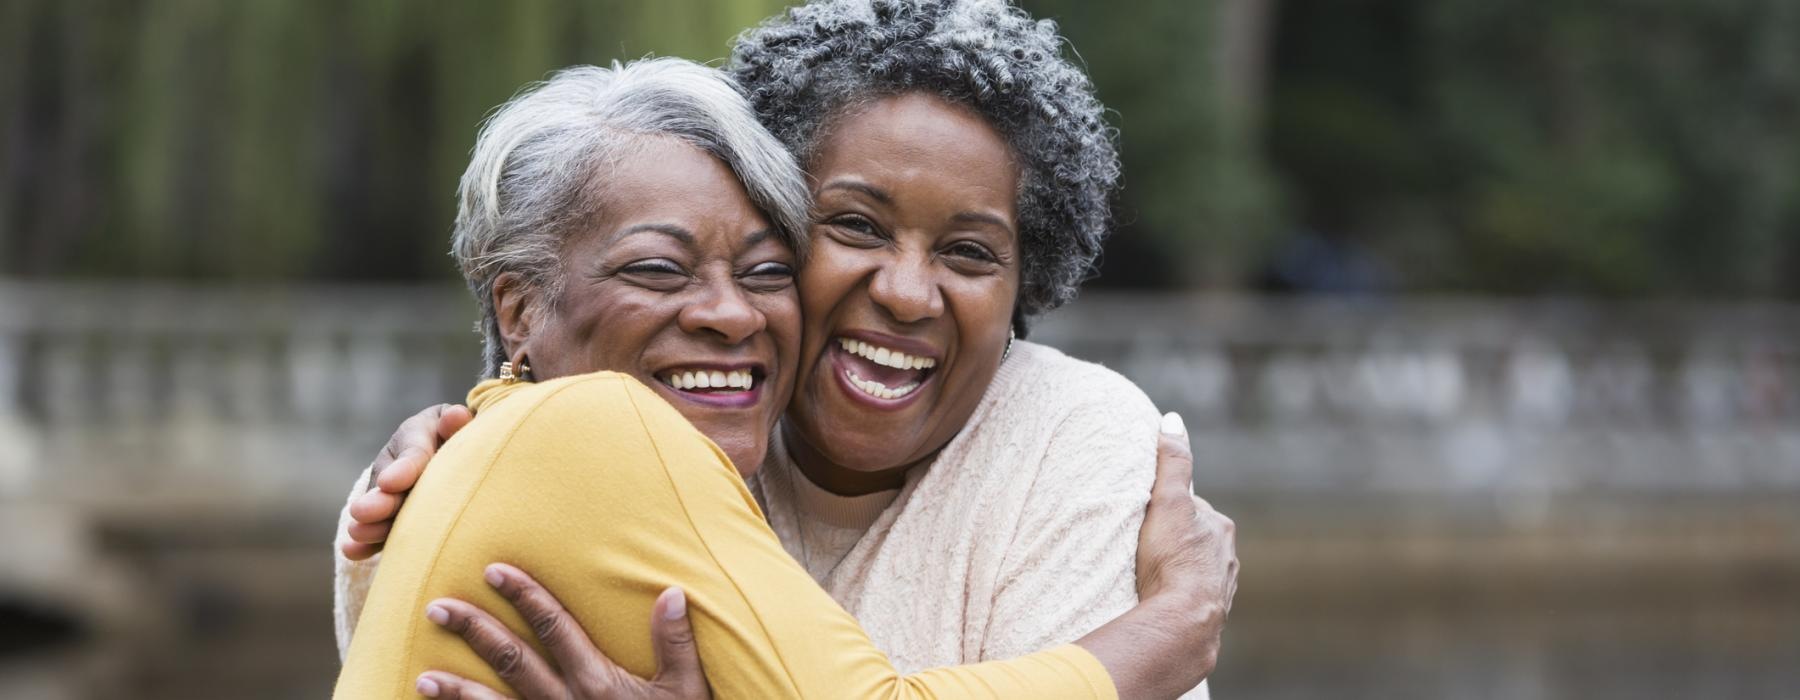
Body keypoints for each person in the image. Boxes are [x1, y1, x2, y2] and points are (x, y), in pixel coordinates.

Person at [333, 56, 1228, 699]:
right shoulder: (594, 430)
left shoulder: (1072, 432)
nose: (731, 313)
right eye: (657, 268)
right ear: (519, 309)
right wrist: (1168, 633)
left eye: (763, 270)